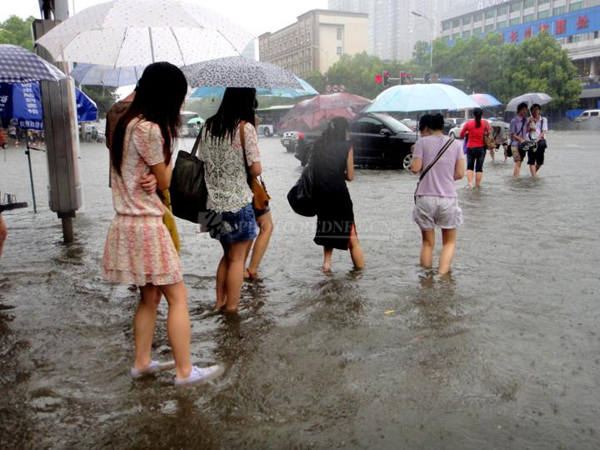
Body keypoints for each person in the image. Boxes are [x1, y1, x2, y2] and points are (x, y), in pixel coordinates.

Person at [102, 62, 221, 386]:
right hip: (147, 225)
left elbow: (139, 174)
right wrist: (165, 158)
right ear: (168, 95)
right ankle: (185, 371)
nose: (181, 103)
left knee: (149, 298)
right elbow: (166, 180)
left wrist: (155, 178)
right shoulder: (151, 130)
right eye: (179, 95)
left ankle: (141, 362)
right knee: (178, 297)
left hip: (125, 222)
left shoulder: (126, 123)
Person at [198, 88, 261, 313]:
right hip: (237, 204)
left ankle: (219, 303)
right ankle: (232, 309)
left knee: (226, 254)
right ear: (246, 101)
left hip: (211, 206)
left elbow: (201, 160)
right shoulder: (245, 128)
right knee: (237, 259)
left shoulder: (207, 126)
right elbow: (256, 169)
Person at [411, 114, 465, 275]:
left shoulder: (421, 142)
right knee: (449, 242)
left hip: (425, 198)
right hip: (448, 198)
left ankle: (426, 281)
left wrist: (415, 152)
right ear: (442, 126)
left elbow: (415, 168)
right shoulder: (456, 144)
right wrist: (446, 176)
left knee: (427, 243)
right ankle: (442, 277)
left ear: (426, 128)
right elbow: (460, 174)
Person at [311, 117, 364, 272]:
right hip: (339, 196)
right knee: (352, 236)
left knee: (328, 229)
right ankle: (359, 273)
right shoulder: (346, 147)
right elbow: (351, 176)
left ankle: (327, 264)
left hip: (321, 195)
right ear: (344, 130)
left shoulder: (318, 145)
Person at [245, 105, 274, 280]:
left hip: (221, 191)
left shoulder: (213, 126)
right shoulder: (245, 128)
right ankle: (251, 269)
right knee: (266, 226)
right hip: (247, 188)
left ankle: (241, 268)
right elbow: (255, 168)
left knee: (242, 234)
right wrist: (253, 128)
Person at [460, 108, 490, 188]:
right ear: (482, 114)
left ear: (473, 114)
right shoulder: (485, 123)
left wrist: (467, 132)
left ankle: (470, 184)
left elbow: (461, 135)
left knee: (470, 166)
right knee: (479, 168)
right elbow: (489, 133)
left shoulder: (468, 124)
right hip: (481, 148)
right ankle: (478, 185)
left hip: (471, 148)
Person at [527, 103, 548, 178]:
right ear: (531, 111)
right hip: (530, 141)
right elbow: (525, 131)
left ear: (539, 110)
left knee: (540, 162)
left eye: (537, 109)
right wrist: (529, 124)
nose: (535, 111)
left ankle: (532, 175)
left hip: (540, 142)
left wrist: (538, 139)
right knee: (531, 161)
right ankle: (534, 177)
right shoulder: (528, 120)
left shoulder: (543, 120)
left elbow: (544, 131)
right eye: (533, 110)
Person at [510, 102, 529, 178]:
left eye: (526, 109)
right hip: (514, 144)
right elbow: (512, 134)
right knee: (517, 161)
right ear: (519, 110)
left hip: (523, 145)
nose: (525, 111)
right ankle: (517, 178)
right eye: (523, 109)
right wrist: (520, 139)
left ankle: (515, 176)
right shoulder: (513, 121)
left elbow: (525, 132)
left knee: (520, 161)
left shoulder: (526, 120)